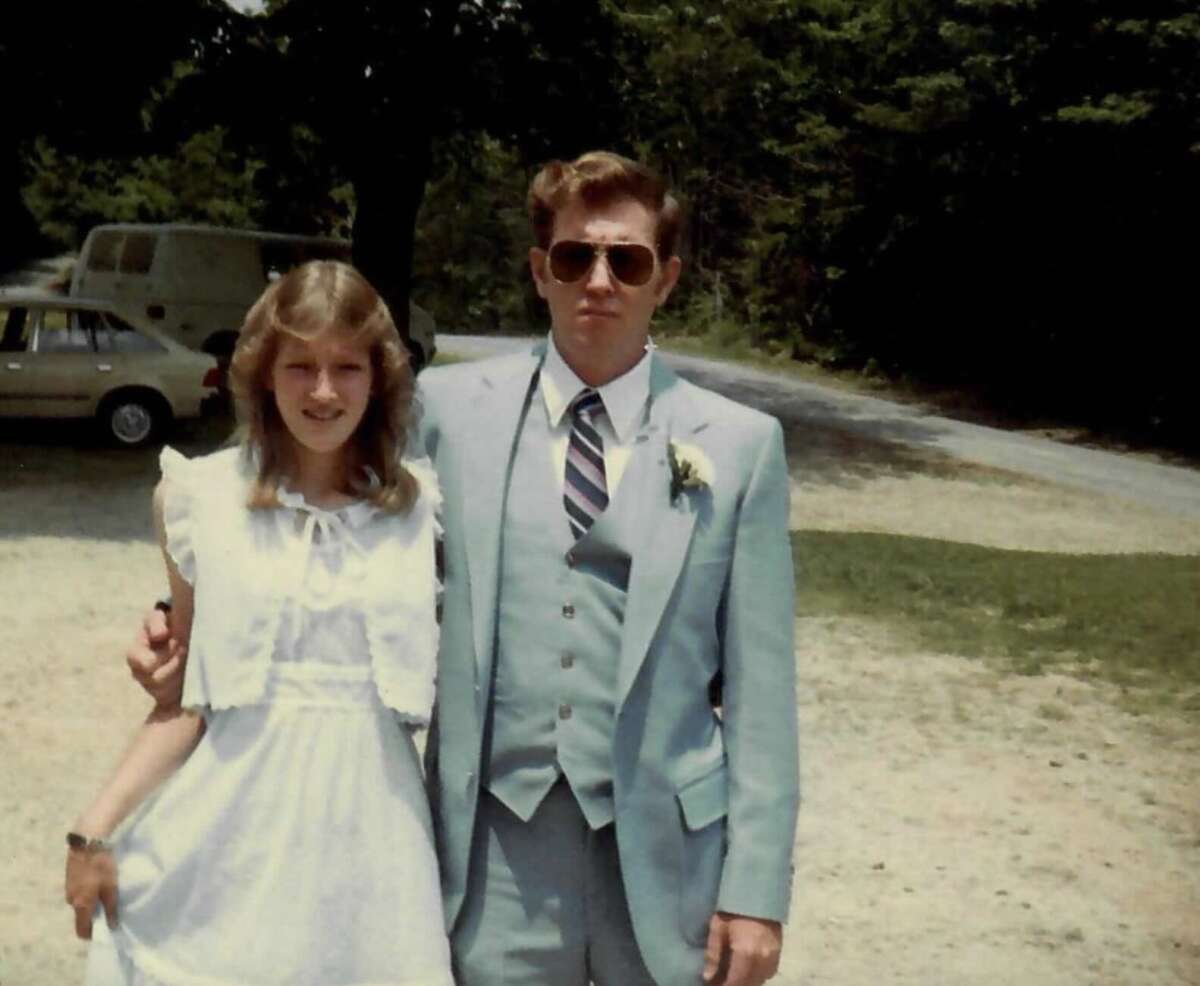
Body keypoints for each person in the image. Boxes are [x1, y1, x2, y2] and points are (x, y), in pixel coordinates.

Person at [131, 151, 799, 986]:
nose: (599, 280)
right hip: (494, 853)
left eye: (625, 261)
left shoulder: (737, 446)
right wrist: (181, 608)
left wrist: (757, 890)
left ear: (664, 279)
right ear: (538, 271)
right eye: (573, 257)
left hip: (670, 857)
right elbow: (318, 501)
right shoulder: (445, 414)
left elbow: (763, 695)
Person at [68, 260, 454, 986]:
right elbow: (182, 698)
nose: (324, 390)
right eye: (300, 365)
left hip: (373, 850)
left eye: (347, 366)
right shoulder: (197, 499)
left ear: (379, 381)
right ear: (263, 374)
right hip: (229, 841)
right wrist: (93, 828)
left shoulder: (422, 511)